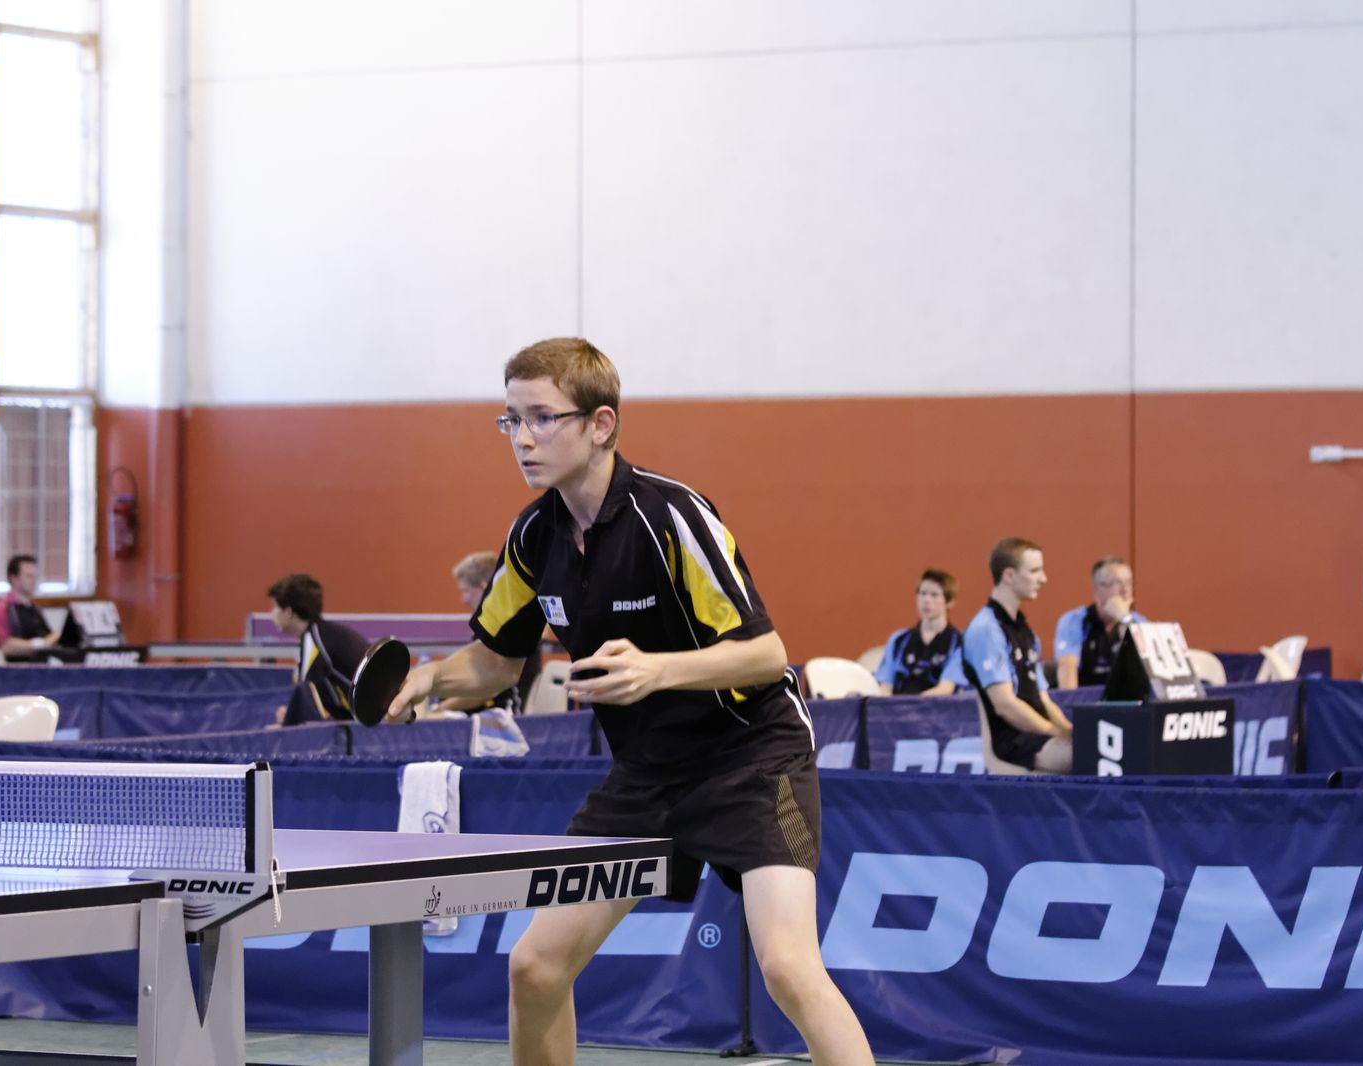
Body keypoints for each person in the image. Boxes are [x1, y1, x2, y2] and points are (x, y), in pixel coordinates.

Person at [384, 338, 873, 1065]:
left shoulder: (671, 515)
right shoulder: (533, 537)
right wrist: (428, 680)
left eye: (542, 418)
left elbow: (767, 654)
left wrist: (656, 671)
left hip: (752, 757)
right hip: (646, 774)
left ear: (600, 424)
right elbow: (494, 661)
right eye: (510, 420)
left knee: (789, 970)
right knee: (535, 967)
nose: (522, 438)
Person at [962, 537, 1073, 773]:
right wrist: (1056, 733)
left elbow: (1042, 698)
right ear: (1009, 576)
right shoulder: (986, 629)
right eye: (1035, 571)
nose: (1044, 579)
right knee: (1091, 757)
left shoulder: (1026, 631)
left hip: (1038, 733)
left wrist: (1069, 731)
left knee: (1104, 749)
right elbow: (1005, 705)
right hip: (1013, 741)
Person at [430, 551, 542, 716]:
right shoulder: (490, 622)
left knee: (430, 721)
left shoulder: (506, 625)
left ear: (482, 587)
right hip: (484, 711)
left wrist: (438, 708)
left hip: (504, 715)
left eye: (465, 590)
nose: (464, 599)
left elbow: (486, 691)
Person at [267, 573, 369, 726]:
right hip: (364, 721)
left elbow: (305, 701)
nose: (272, 613)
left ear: (288, 612)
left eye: (275, 607)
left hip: (372, 727)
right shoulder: (324, 634)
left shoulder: (316, 642)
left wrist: (287, 719)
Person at [1053, 556, 1146, 689]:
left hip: (1130, 703)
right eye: (1118, 583)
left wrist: (1124, 620)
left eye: (1129, 583)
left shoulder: (1136, 622)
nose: (1125, 590)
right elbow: (1067, 668)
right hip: (1088, 701)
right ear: (1098, 588)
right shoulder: (1075, 621)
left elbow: (1151, 667)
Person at [874, 568, 967, 695]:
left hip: (936, 710)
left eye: (934, 595)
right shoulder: (898, 639)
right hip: (896, 710)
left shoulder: (960, 642)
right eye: (922, 593)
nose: (926, 600)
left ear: (950, 602)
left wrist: (913, 707)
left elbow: (946, 689)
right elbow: (885, 687)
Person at [0, 554, 58, 661]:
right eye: (29, 576)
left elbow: (49, 635)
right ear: (14, 578)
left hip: (42, 670)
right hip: (18, 673)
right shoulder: (2, 609)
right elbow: (6, 645)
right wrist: (40, 644)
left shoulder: (34, 606)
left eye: (35, 576)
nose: (34, 580)